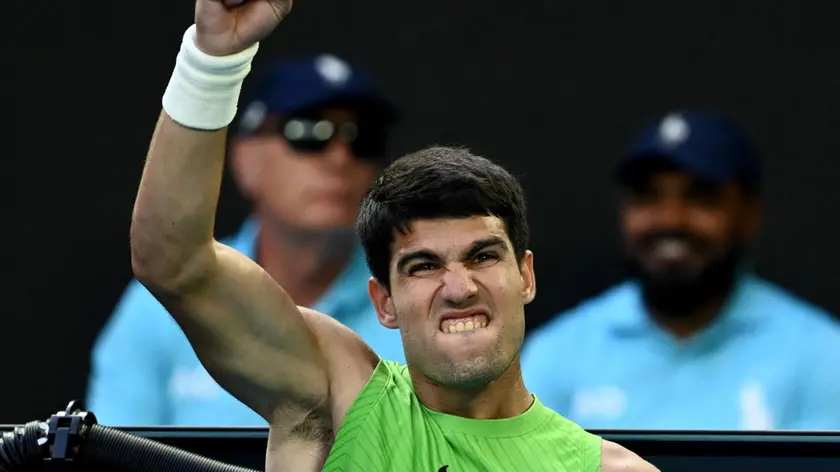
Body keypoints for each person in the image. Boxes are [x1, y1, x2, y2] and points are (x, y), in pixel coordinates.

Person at [126, 0, 658, 470]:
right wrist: (213, 60)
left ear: (525, 276)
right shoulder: (337, 393)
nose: (459, 288)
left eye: (482, 256)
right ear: (384, 302)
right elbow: (172, 262)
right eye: (424, 265)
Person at [87, 51, 407, 426]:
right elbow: (109, 450)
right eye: (307, 132)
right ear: (245, 159)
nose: (340, 158)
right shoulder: (161, 305)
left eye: (362, 139)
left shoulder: (412, 297)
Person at [522, 110, 840, 431]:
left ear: (749, 216)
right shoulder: (557, 356)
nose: (671, 219)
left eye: (702, 197)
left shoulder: (822, 356)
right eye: (648, 197)